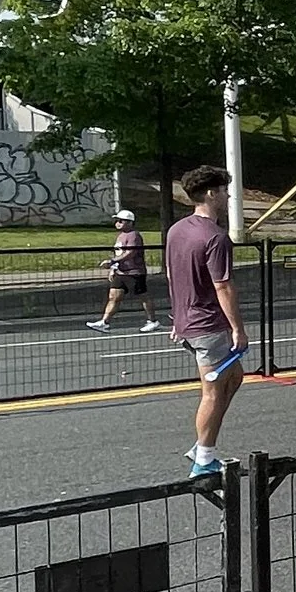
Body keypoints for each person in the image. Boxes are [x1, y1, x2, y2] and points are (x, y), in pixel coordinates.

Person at [165, 165, 247, 481]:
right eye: (224, 191)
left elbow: (173, 275)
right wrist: (238, 329)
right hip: (210, 326)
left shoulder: (177, 230)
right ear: (211, 193)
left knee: (235, 377)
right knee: (212, 392)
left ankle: (202, 443)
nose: (227, 196)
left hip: (188, 321)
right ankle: (203, 457)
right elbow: (223, 286)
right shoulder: (215, 237)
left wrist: (177, 315)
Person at [89, 208, 155, 333]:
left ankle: (152, 321)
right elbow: (119, 252)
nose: (117, 223)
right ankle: (105, 322)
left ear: (130, 223)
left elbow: (130, 252)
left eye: (121, 221)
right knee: (113, 296)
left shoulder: (134, 235)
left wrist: (113, 261)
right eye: (117, 220)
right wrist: (114, 268)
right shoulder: (121, 235)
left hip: (134, 272)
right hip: (121, 272)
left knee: (143, 297)